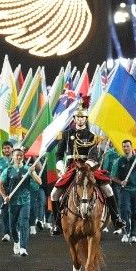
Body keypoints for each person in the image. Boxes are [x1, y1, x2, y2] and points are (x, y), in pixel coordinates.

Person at [49, 97, 121, 236]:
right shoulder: (65, 134)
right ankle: (57, 223)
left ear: (86, 119)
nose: (80, 120)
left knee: (108, 189)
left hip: (88, 168)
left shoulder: (92, 136)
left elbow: (94, 156)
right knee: (54, 194)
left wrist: (86, 167)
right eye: (78, 117)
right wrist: (60, 167)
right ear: (74, 119)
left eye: (83, 117)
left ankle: (116, 218)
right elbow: (58, 154)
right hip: (70, 168)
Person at [0, 146, 42, 257]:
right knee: (12, 226)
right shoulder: (7, 170)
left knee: (24, 223)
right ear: (13, 157)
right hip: (13, 202)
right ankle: (16, 241)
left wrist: (32, 173)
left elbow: (39, 182)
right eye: (16, 155)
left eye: (20, 155)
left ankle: (23, 247)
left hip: (25, 201)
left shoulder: (28, 169)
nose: (18, 157)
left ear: (23, 157)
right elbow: (0, 185)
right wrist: (4, 196)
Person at [112, 140, 136, 243]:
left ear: (131, 147)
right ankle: (126, 232)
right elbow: (112, 176)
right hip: (125, 190)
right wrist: (120, 182)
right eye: (124, 146)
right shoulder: (119, 161)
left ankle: (133, 234)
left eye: (127, 146)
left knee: (135, 212)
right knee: (124, 211)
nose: (126, 148)